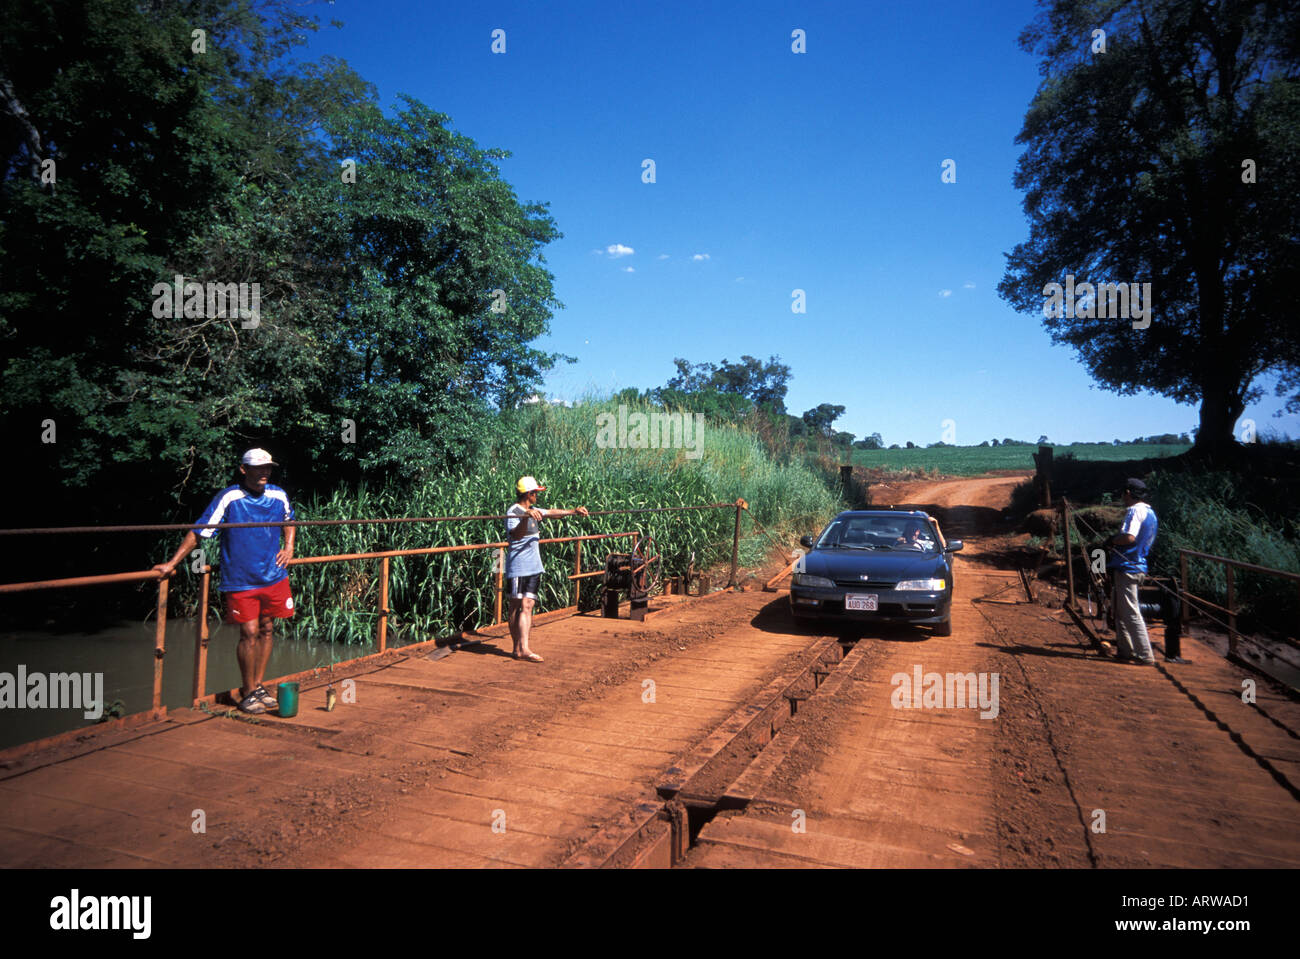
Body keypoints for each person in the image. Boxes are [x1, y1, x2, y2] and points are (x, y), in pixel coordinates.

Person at [154, 449, 296, 712]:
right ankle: (248, 690)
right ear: (244, 469)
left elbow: (290, 521)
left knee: (267, 629)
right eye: (258, 467)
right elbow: (200, 531)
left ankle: (257, 684)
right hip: (241, 579)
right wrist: (172, 563)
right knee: (249, 632)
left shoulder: (278, 494)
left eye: (268, 467)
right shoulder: (230, 497)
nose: (264, 472)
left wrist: (289, 547)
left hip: (273, 575)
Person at [505, 476, 588, 662]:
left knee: (528, 605)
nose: (538, 496)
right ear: (529, 494)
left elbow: (552, 512)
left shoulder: (534, 510)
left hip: (534, 566)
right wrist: (526, 519)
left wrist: (573, 512)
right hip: (518, 567)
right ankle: (516, 648)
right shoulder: (514, 512)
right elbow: (515, 536)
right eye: (536, 493)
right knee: (515, 606)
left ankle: (524, 648)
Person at [1105, 478, 1159, 665]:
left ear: (1128, 493)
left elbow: (1129, 537)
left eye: (1123, 493)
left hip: (1128, 567)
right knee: (1120, 611)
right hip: (1135, 565)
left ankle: (1145, 654)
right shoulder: (1150, 512)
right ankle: (1125, 650)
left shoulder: (1134, 511)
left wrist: (1112, 540)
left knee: (1130, 612)